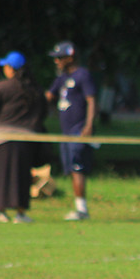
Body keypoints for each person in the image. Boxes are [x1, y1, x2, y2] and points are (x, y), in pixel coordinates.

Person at [46, 41, 96, 221]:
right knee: (70, 169)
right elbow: (49, 96)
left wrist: (88, 125)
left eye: (59, 58)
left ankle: (82, 210)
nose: (56, 61)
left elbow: (91, 100)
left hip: (78, 130)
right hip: (65, 132)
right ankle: (79, 206)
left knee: (77, 168)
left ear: (70, 57)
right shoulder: (61, 78)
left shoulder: (83, 75)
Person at [0, 51, 46, 224]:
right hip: (27, 139)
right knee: (22, 176)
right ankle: (21, 212)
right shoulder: (35, 89)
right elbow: (43, 113)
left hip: (2, 138)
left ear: (11, 69)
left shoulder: (3, 87)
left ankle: (0, 211)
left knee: (2, 175)